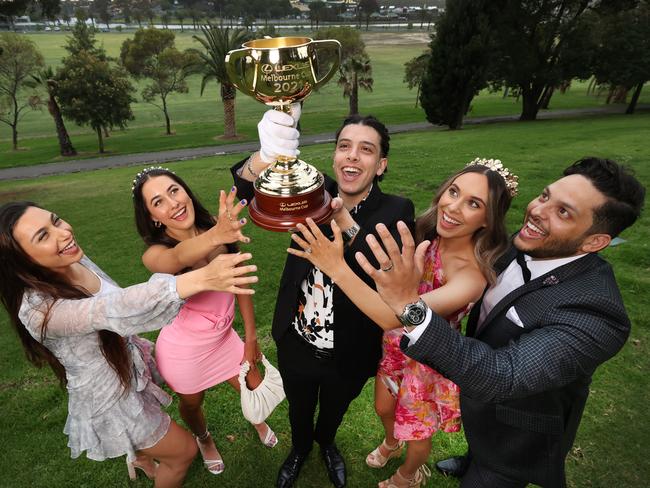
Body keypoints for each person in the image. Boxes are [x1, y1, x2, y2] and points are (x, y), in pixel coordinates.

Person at [353, 157, 645, 488]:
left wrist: (409, 305)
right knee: (474, 452)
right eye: (546, 196)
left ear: (594, 242)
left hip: (512, 435)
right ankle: (469, 458)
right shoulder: (526, 242)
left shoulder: (597, 314)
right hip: (470, 393)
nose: (537, 210)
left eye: (563, 212)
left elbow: (501, 376)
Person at [287, 158, 517, 488]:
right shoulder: (427, 234)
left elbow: (393, 315)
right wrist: (342, 216)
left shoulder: (471, 275)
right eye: (453, 192)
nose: (452, 207)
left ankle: (408, 475)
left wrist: (336, 268)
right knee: (384, 408)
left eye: (473, 204)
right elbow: (375, 253)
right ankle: (391, 443)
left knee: (416, 431)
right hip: (395, 349)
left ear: (488, 219)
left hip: (427, 363)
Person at [0, 200, 258, 488]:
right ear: (20, 261)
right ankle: (147, 455)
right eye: (43, 236)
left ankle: (140, 456)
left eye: (56, 220)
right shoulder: (39, 312)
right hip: (111, 398)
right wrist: (201, 278)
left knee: (161, 432)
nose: (63, 233)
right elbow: (113, 308)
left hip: (128, 362)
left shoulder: (71, 259)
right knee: (183, 452)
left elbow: (113, 299)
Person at [232, 107, 415, 488]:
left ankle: (327, 444)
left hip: (351, 346)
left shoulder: (397, 210)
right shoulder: (312, 191)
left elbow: (381, 265)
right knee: (299, 407)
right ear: (334, 155)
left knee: (334, 408)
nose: (352, 155)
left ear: (380, 165)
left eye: (365, 150)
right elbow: (248, 190)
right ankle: (299, 449)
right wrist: (265, 156)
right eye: (344, 146)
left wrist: (344, 222)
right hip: (296, 336)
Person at [131, 167, 278, 476]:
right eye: (158, 202)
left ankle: (257, 418)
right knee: (192, 403)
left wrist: (251, 338)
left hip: (225, 338)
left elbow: (241, 282)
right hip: (184, 351)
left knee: (252, 384)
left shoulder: (214, 224)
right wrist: (216, 235)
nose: (172, 204)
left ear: (185, 190)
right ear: (153, 217)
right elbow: (178, 258)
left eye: (173, 191)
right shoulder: (156, 254)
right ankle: (203, 437)